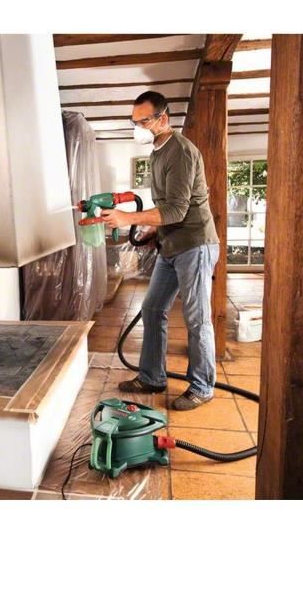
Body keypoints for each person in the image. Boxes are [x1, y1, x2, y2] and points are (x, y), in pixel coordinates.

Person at [100, 91, 220, 411]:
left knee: (197, 318)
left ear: (163, 119)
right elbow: (167, 206)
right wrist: (153, 228)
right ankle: (152, 377)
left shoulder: (180, 151)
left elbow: (178, 210)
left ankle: (203, 386)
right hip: (171, 245)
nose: (137, 128)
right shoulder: (157, 153)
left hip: (195, 244)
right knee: (153, 309)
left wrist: (128, 218)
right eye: (134, 122)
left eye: (143, 121)